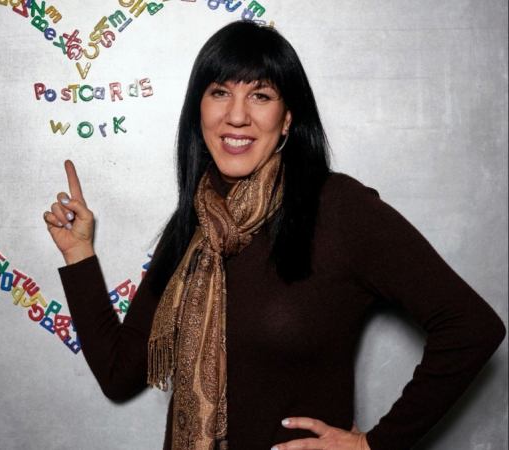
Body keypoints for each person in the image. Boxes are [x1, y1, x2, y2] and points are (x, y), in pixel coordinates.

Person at [41, 21, 506, 450]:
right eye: (220, 92)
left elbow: (471, 327)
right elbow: (120, 374)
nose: (236, 116)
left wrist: (374, 444)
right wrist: (78, 252)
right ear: (198, 110)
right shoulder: (192, 229)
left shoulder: (339, 207)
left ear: (286, 119)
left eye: (260, 95)